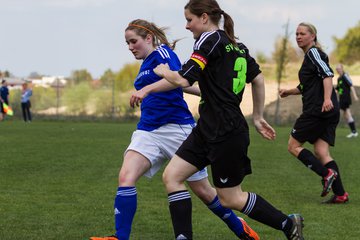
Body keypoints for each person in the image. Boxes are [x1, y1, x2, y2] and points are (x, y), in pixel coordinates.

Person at [90, 19, 259, 240]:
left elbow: (178, 79)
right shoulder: (146, 63)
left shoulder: (163, 54)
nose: (130, 47)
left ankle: (239, 227)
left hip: (177, 128)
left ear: (148, 38)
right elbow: (185, 86)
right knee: (126, 176)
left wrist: (146, 90)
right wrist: (204, 92)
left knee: (205, 192)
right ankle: (120, 237)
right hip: (148, 131)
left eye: (134, 41)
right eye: (127, 43)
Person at [153, 1, 304, 239]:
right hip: (208, 129)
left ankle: (288, 223)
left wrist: (164, 71)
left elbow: (184, 79)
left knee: (230, 198)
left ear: (204, 18)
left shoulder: (208, 39)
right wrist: (257, 116)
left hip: (225, 131)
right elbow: (258, 79)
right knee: (172, 176)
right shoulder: (237, 45)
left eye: (189, 20)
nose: (186, 26)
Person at [279, 22, 349, 204]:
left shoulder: (313, 53)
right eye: (296, 34)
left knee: (293, 146)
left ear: (313, 36)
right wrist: (290, 91)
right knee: (321, 151)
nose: (298, 37)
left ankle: (326, 174)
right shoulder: (309, 56)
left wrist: (326, 99)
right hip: (327, 111)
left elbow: (327, 75)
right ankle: (340, 194)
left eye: (302, 33)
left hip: (318, 110)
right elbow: (307, 85)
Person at [335, 64, 359, 138]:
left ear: (342, 68)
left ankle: (354, 132)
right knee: (346, 114)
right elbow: (338, 89)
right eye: (337, 69)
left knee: (344, 113)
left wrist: (355, 96)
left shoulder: (345, 76)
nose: (338, 70)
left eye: (339, 68)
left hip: (346, 98)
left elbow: (351, 85)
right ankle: (353, 131)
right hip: (342, 98)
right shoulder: (339, 78)